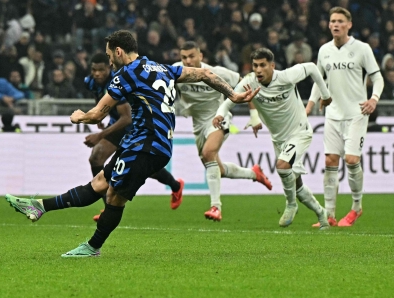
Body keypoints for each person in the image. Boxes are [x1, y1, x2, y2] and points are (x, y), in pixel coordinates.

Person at [5, 30, 259, 257]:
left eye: (109, 56)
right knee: (100, 184)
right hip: (144, 144)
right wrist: (233, 95)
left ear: (118, 51)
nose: (109, 61)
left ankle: (89, 244)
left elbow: (97, 114)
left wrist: (79, 116)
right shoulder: (161, 68)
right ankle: (39, 207)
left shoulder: (126, 75)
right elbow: (204, 73)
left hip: (145, 146)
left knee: (113, 198)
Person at [215, 47, 331, 230]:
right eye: (255, 66)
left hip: (299, 132)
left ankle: (291, 205)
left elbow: (312, 68)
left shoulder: (285, 77)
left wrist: (326, 95)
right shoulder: (250, 82)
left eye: (262, 65)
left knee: (282, 165)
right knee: (296, 182)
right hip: (279, 139)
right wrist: (220, 114)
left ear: (272, 65)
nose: (258, 70)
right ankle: (322, 214)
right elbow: (230, 99)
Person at [174, 41, 272, 221]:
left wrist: (254, 114)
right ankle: (254, 173)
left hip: (219, 117)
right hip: (198, 125)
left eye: (191, 56)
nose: (188, 61)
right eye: (184, 57)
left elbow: (246, 84)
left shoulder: (217, 72)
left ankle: (215, 207)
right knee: (216, 167)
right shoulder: (177, 71)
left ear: (200, 56)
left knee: (208, 152)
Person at [306, 7, 384, 227]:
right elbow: (319, 80)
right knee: (330, 160)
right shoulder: (324, 50)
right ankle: (329, 215)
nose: (336, 24)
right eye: (332, 21)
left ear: (349, 25)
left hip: (357, 113)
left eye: (340, 21)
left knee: (351, 160)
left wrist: (374, 99)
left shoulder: (362, 49)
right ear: (329, 25)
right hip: (333, 114)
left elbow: (378, 78)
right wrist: (310, 105)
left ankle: (356, 207)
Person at [84, 53, 184, 221]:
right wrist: (102, 116)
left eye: (101, 70)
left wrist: (100, 134)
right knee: (96, 159)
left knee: (143, 168)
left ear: (109, 68)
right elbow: (100, 98)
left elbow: (126, 118)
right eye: (94, 70)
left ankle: (176, 185)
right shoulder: (91, 82)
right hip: (117, 125)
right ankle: (107, 206)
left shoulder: (119, 81)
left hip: (134, 127)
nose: (97, 74)